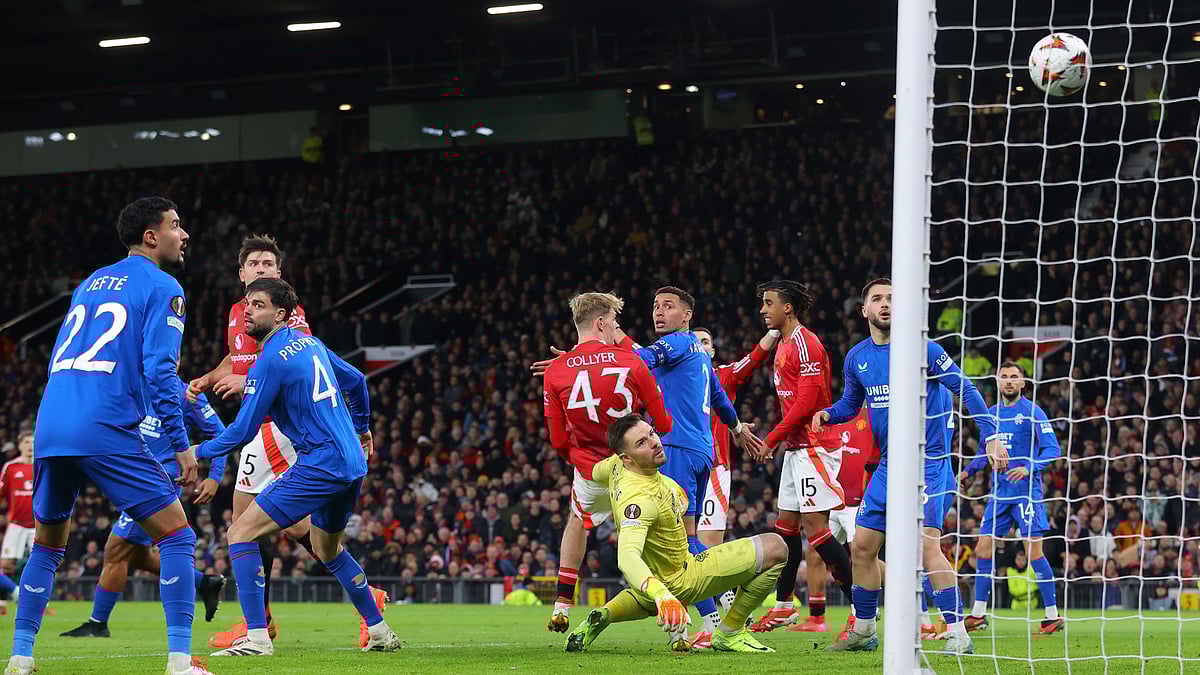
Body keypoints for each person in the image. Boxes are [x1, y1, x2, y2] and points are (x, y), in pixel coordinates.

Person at [7, 197, 211, 675]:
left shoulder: (89, 283)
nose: (183, 235)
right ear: (150, 236)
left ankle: (20, 657)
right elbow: (161, 371)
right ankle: (180, 661)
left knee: (47, 545)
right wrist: (182, 447)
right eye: (176, 226)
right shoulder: (165, 286)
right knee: (178, 535)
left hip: (53, 423)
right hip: (105, 423)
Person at [187, 234, 385, 648]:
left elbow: (260, 390)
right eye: (252, 264)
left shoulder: (286, 330)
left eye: (267, 264)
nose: (259, 269)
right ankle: (371, 614)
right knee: (309, 537)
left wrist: (195, 451)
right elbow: (354, 379)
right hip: (346, 454)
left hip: (287, 432)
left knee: (242, 528)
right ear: (241, 273)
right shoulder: (250, 321)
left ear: (279, 300)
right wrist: (210, 377)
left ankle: (257, 629)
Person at [816, 278, 1004, 656]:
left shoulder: (924, 349)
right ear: (864, 309)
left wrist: (990, 435)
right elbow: (851, 405)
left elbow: (965, 388)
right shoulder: (858, 357)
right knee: (864, 547)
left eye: (892, 298)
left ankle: (957, 633)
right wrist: (828, 414)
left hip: (929, 464)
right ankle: (865, 630)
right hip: (887, 468)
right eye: (878, 299)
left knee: (925, 548)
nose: (886, 304)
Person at [564, 413, 785, 654]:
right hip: (680, 580)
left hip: (645, 584)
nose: (654, 442)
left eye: (650, 433)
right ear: (627, 458)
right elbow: (627, 556)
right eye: (642, 443)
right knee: (775, 547)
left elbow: (593, 471)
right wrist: (662, 594)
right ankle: (730, 632)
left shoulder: (616, 467)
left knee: (643, 597)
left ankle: (603, 616)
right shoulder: (640, 500)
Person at [542, 292, 672, 633]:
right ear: (601, 323)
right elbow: (664, 421)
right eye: (614, 322)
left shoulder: (555, 371)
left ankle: (561, 604)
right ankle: (677, 623)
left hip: (590, 470)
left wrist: (580, 457)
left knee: (578, 520)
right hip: (633, 467)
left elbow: (556, 440)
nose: (617, 328)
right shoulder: (631, 362)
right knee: (656, 537)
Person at [60, 378, 229, 638]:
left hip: (161, 481)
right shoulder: (131, 384)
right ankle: (204, 582)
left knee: (115, 550)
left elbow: (220, 432)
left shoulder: (186, 394)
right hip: (136, 478)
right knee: (136, 555)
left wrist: (215, 477)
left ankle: (98, 623)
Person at [748, 280, 855, 634]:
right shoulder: (782, 344)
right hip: (796, 449)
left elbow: (808, 403)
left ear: (788, 307)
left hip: (814, 446)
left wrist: (772, 438)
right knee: (786, 526)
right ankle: (782, 606)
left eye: (768, 303)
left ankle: (860, 607)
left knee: (816, 529)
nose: (763, 310)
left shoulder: (806, 344)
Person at [960, 360, 1064, 634]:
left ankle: (1052, 616)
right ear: (997, 381)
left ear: (1023, 383)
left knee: (1034, 553)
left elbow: (1053, 449)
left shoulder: (1032, 412)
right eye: (1004, 376)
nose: (1008, 381)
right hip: (999, 495)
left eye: (1013, 377)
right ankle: (979, 614)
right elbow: (985, 452)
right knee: (983, 549)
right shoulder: (990, 414)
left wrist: (1028, 467)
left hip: (1027, 494)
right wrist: (968, 472)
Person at [693, 327, 779, 549]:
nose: (700, 345)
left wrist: (777, 328)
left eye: (705, 342)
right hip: (676, 468)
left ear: (711, 351)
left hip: (714, 469)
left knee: (709, 542)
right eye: (695, 341)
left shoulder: (723, 376)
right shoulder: (670, 377)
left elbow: (754, 357)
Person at [796, 408, 875, 634]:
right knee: (815, 550)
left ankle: (862, 612)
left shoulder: (870, 417)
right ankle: (816, 617)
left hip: (858, 503)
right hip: (834, 502)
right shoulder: (832, 417)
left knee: (862, 557)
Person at [0, 431, 35, 614]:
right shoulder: (11, 467)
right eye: (26, 442)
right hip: (16, 524)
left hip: (39, 525)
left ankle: (37, 602)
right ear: (20, 445)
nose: (30, 445)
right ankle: (2, 603)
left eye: (32, 442)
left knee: (41, 562)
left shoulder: (43, 465)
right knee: (6, 564)